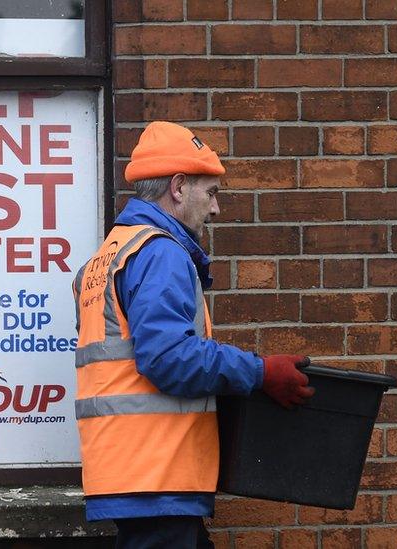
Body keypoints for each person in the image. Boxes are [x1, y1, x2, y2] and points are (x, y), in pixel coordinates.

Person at [72, 121, 315, 548]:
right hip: (156, 473)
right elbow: (168, 358)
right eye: (212, 193)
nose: (216, 209)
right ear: (179, 187)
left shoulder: (110, 255)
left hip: (133, 471)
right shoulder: (160, 252)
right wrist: (260, 372)